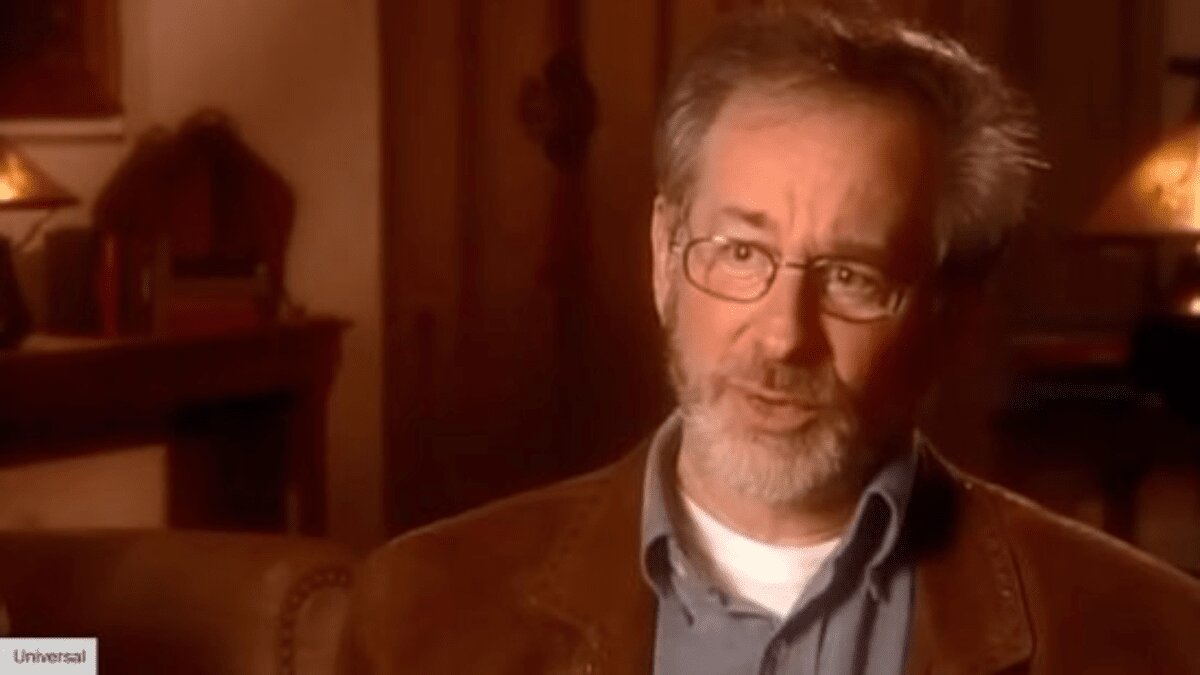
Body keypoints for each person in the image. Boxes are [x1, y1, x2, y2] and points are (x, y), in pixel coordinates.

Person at [342, 5, 1200, 673]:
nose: (785, 335)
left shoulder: (1148, 636)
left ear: (951, 315)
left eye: (852, 277)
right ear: (664, 257)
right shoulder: (419, 613)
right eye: (741, 252)